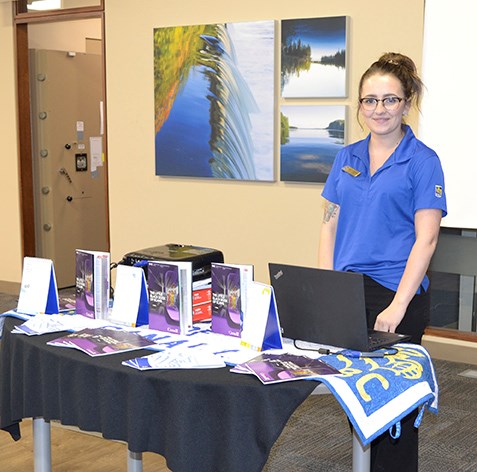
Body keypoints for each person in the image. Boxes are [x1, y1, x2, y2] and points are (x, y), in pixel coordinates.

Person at [318, 52, 447, 472]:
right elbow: (329, 226)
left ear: (406, 102)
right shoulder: (347, 157)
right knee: (358, 400)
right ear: (359, 106)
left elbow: (426, 240)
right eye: (369, 100)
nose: (379, 109)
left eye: (389, 100)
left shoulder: (423, 161)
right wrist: (326, 290)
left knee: (396, 413)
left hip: (397, 293)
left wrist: (398, 307)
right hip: (349, 291)